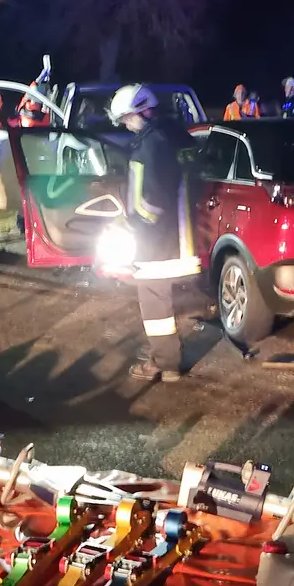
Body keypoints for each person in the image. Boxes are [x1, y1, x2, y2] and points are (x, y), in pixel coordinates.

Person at [108, 84, 199, 382]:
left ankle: (166, 363)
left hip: (158, 238)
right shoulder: (171, 136)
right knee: (161, 298)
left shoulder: (153, 144)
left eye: (127, 118)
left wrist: (133, 224)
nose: (126, 124)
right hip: (176, 233)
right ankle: (166, 356)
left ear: (143, 111)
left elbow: (154, 199)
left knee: (154, 301)